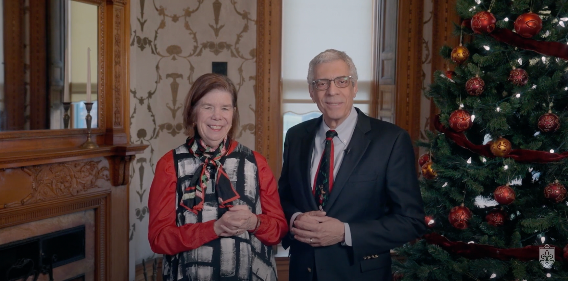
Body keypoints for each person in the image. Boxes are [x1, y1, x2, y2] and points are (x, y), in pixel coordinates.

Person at [279, 49, 426, 281]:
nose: (332, 91)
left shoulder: (391, 140)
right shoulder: (296, 136)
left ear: (354, 87)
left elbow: (411, 222)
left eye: (341, 81)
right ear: (311, 91)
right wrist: (295, 218)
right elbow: (284, 198)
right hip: (303, 272)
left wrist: (345, 233)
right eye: (321, 83)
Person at [148, 73, 288, 281]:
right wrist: (215, 228)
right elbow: (159, 239)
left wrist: (253, 222)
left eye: (225, 108)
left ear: (233, 114)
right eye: (208, 107)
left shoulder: (257, 162)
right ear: (193, 112)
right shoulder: (169, 165)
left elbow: (278, 230)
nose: (217, 116)